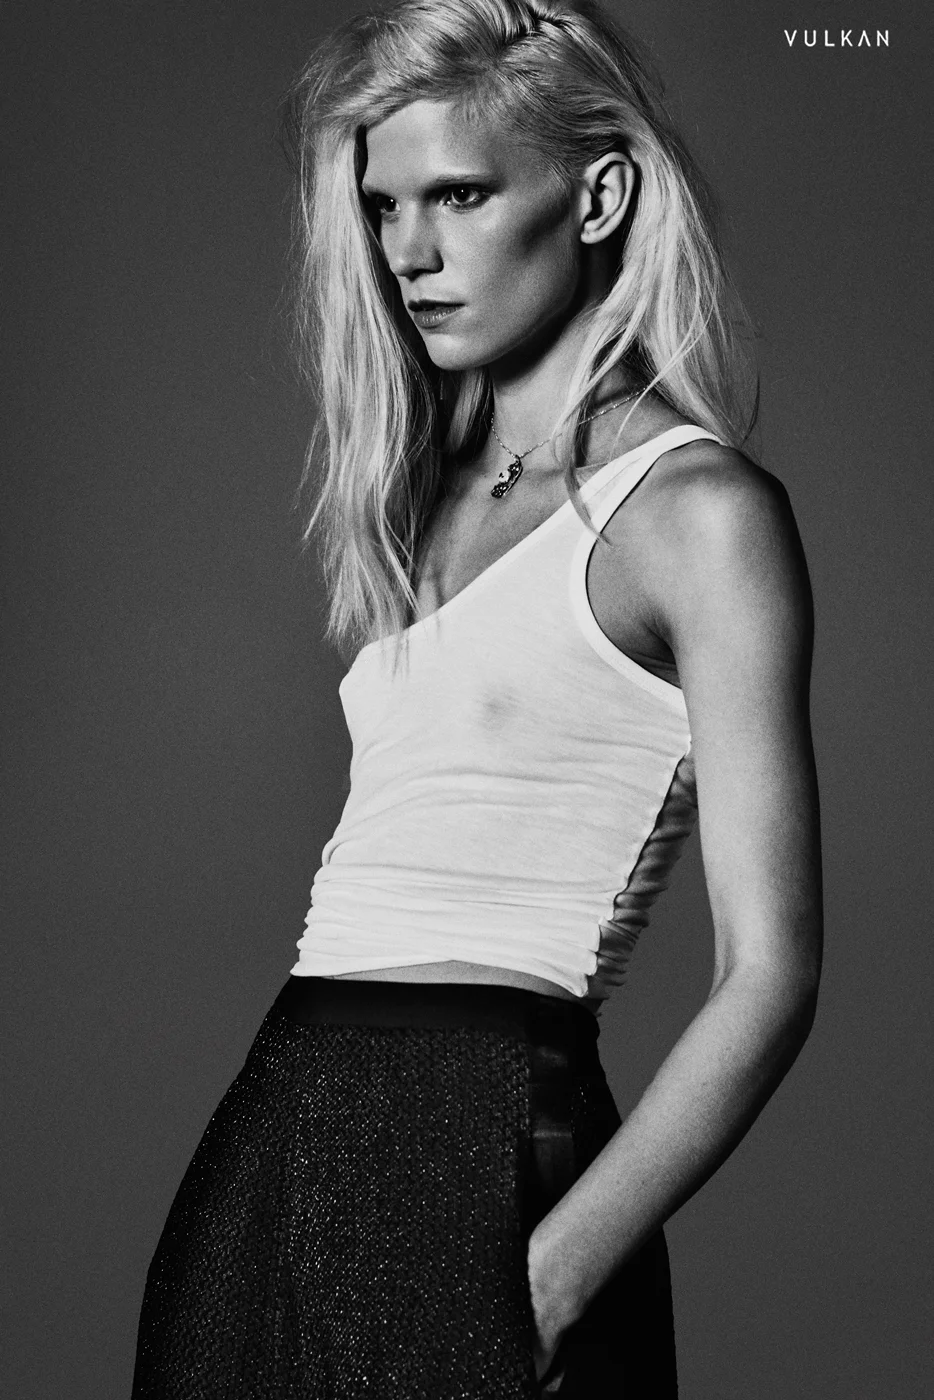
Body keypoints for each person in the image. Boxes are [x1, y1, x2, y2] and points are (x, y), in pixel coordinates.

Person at [131, 1, 823, 1396]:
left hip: (490, 1137)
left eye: (457, 194)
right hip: (282, 1124)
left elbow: (771, 976)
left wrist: (552, 1280)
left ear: (597, 197)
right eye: (383, 205)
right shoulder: (420, 497)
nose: (407, 252)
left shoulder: (696, 513)